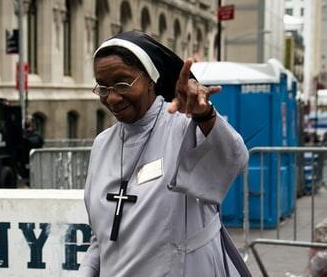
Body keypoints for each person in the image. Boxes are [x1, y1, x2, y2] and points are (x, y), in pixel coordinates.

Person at [79, 31, 249, 276]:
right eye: (103, 87)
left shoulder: (183, 127)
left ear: (151, 79)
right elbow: (102, 239)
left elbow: (235, 157)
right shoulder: (102, 144)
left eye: (123, 83)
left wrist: (204, 115)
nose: (113, 97)